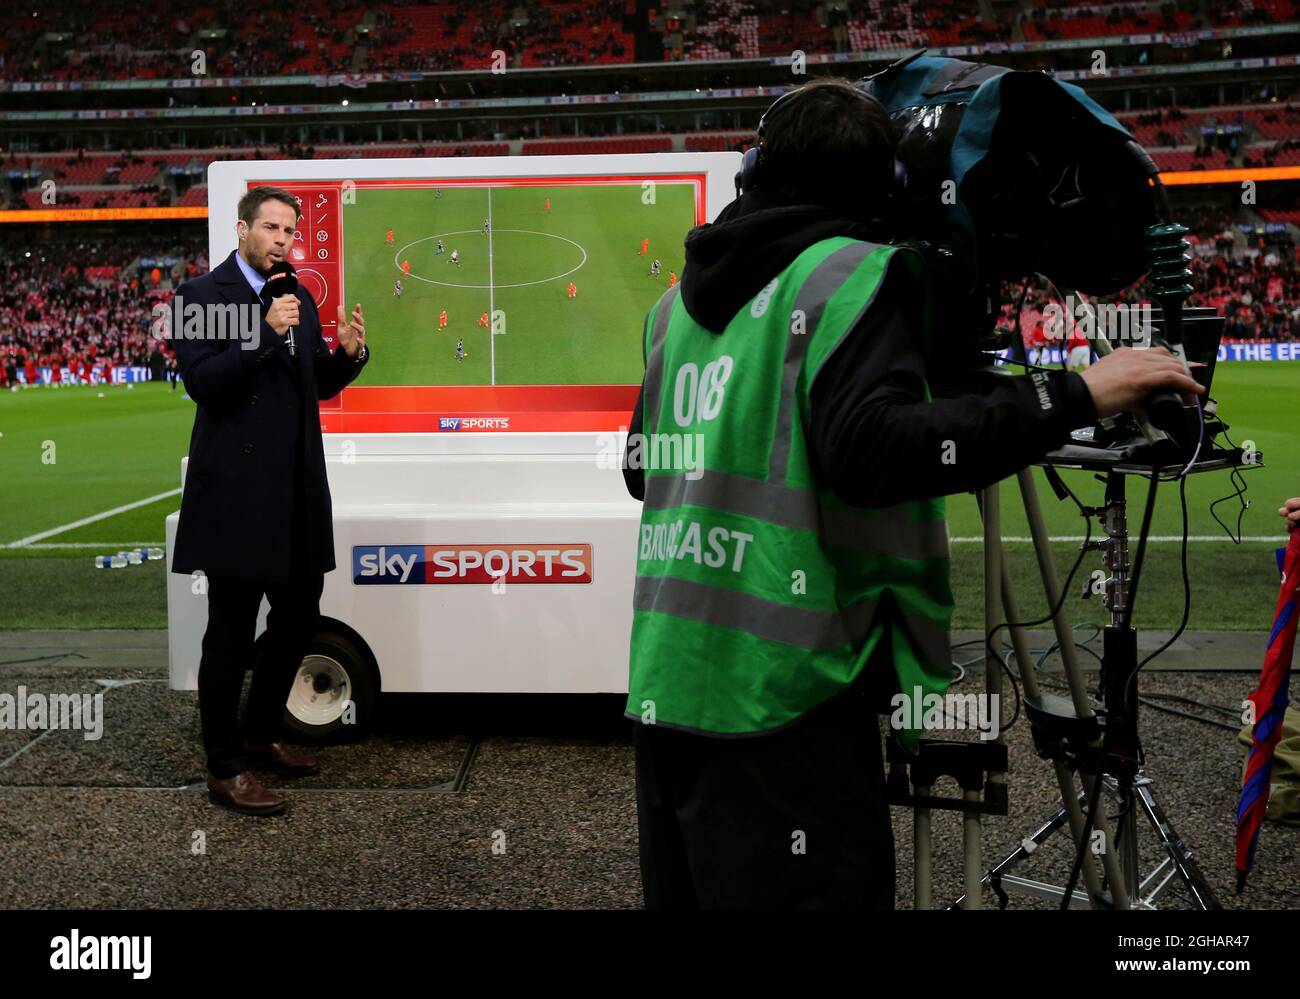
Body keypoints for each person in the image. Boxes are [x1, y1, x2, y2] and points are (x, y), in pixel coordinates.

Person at [621, 77, 1203, 909]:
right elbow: (872, 450)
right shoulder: (854, 275)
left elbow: (644, 465)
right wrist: (1073, 396)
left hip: (666, 691)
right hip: (786, 701)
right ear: (883, 191)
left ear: (755, 172)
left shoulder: (672, 304)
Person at [170, 186, 370, 817]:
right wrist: (261, 333)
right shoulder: (199, 297)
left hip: (295, 491)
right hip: (235, 494)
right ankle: (223, 769)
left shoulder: (299, 297)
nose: (284, 240)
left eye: (290, 231)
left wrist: (345, 354)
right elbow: (201, 382)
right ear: (242, 229)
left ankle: (259, 736)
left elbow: (312, 383)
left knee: (297, 618)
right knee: (228, 632)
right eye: (273, 228)